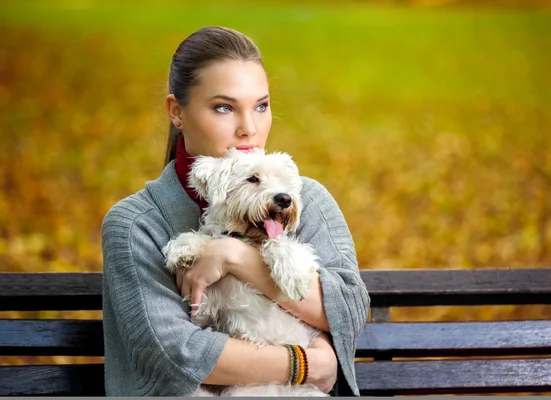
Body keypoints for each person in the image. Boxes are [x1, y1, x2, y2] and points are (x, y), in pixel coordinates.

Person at [101, 26, 370, 397]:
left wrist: (234, 256)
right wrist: (306, 364)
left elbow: (347, 310)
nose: (249, 129)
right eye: (224, 108)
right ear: (176, 112)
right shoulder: (135, 224)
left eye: (261, 106)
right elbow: (174, 352)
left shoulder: (306, 199)